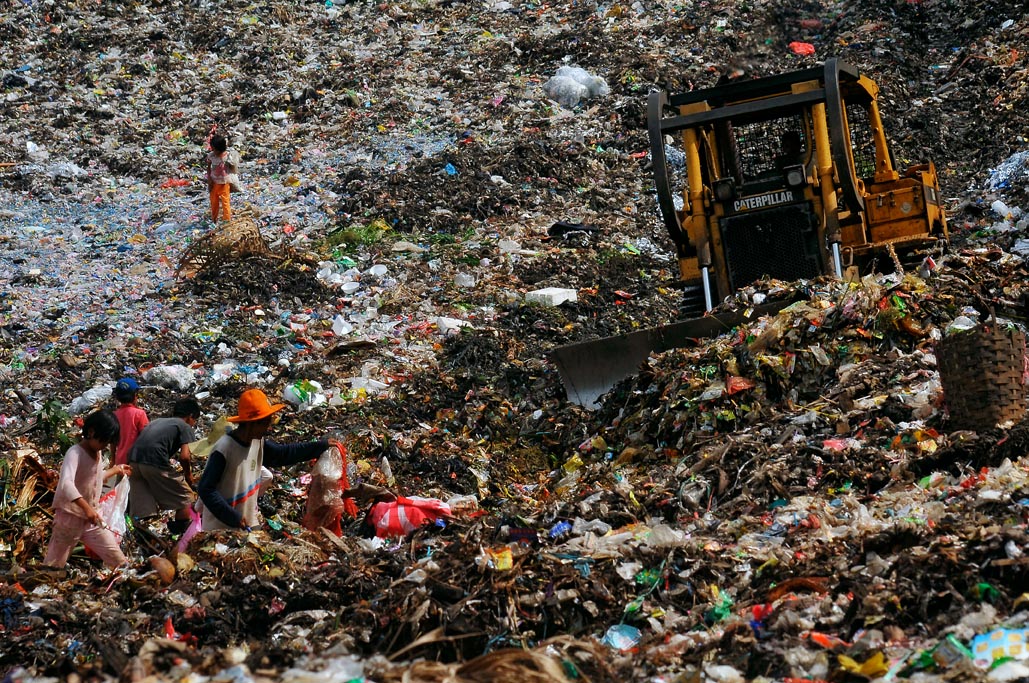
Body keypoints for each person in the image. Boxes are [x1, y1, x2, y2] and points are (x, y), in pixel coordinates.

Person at [197, 389, 338, 531]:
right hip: (220, 529)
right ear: (252, 423)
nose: (269, 428)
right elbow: (206, 489)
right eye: (265, 423)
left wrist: (320, 446)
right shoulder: (224, 449)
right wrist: (232, 517)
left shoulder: (257, 441)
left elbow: (282, 454)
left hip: (246, 523)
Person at [44, 410, 132, 568]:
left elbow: (93, 479)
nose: (105, 445)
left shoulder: (97, 453)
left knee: (118, 560)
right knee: (53, 566)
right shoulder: (75, 453)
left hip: (92, 519)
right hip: (70, 518)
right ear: (91, 432)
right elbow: (66, 484)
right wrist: (86, 508)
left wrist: (116, 470)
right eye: (104, 441)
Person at [128, 398, 202, 535]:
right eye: (195, 420)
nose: (193, 424)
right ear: (190, 416)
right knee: (185, 497)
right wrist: (188, 476)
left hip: (133, 462)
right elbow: (185, 457)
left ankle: (144, 538)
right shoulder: (184, 426)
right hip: (154, 462)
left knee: (144, 507)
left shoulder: (157, 422)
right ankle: (181, 535)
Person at [113, 377, 149, 468]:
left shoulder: (114, 415)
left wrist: (112, 460)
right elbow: (147, 438)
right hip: (136, 461)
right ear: (135, 395)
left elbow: (112, 441)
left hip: (120, 462)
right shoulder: (139, 414)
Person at [205, 133, 238, 223]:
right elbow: (208, 167)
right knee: (214, 202)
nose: (214, 151)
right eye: (213, 149)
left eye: (215, 149)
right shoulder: (211, 156)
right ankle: (214, 219)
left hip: (224, 183)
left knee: (225, 202)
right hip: (214, 183)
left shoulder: (227, 156)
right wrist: (209, 179)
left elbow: (234, 166)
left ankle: (227, 220)